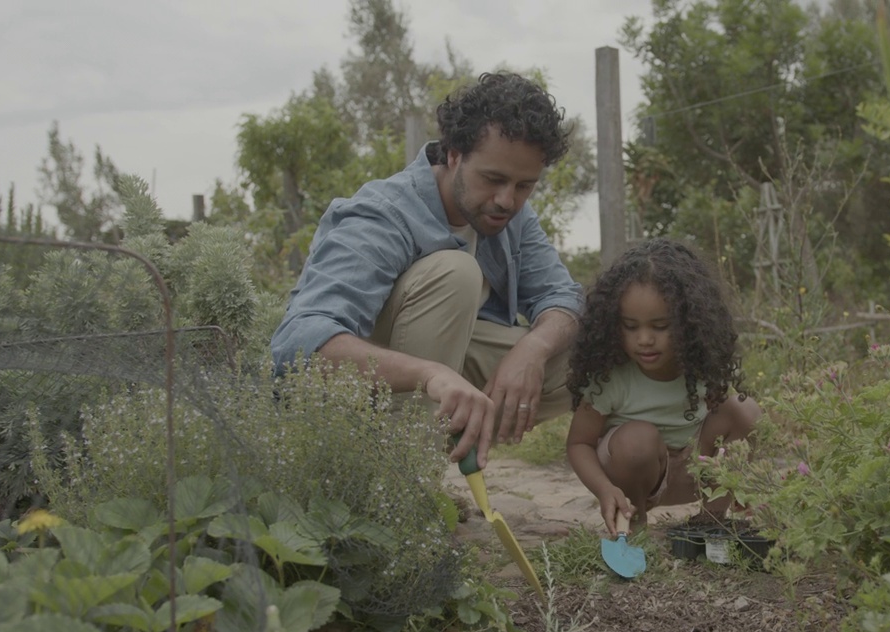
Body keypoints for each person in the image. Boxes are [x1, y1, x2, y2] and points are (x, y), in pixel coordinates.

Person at [270, 72, 583, 468]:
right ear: (453, 154)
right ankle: (393, 479)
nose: (507, 200)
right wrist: (429, 374)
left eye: (525, 186)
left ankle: (429, 454)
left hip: (441, 378)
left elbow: (561, 296)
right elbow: (297, 344)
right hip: (347, 402)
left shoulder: (509, 215)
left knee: (588, 355)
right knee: (456, 274)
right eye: (494, 179)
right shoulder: (384, 214)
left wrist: (533, 351)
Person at [565, 239, 762, 536]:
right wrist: (605, 490)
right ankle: (635, 520)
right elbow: (579, 444)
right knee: (638, 439)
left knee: (745, 409)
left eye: (660, 326)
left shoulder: (700, 368)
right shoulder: (611, 378)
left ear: (689, 324)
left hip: (691, 473)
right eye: (631, 327)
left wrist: (739, 479)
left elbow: (729, 425)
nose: (644, 339)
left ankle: (713, 518)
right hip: (634, 475)